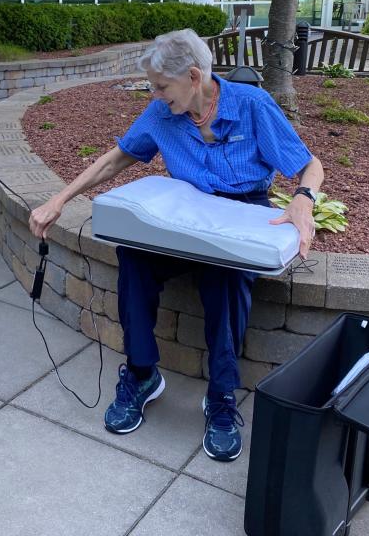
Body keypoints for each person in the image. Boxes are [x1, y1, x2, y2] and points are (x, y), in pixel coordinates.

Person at [29, 29, 323, 461]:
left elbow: (309, 165)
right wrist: (59, 200)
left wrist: (303, 200)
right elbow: (115, 158)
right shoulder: (162, 113)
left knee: (225, 278)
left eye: (161, 86)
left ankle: (222, 397)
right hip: (183, 213)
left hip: (239, 212)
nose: (155, 93)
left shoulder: (251, 105)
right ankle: (143, 373)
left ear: (193, 75)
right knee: (133, 256)